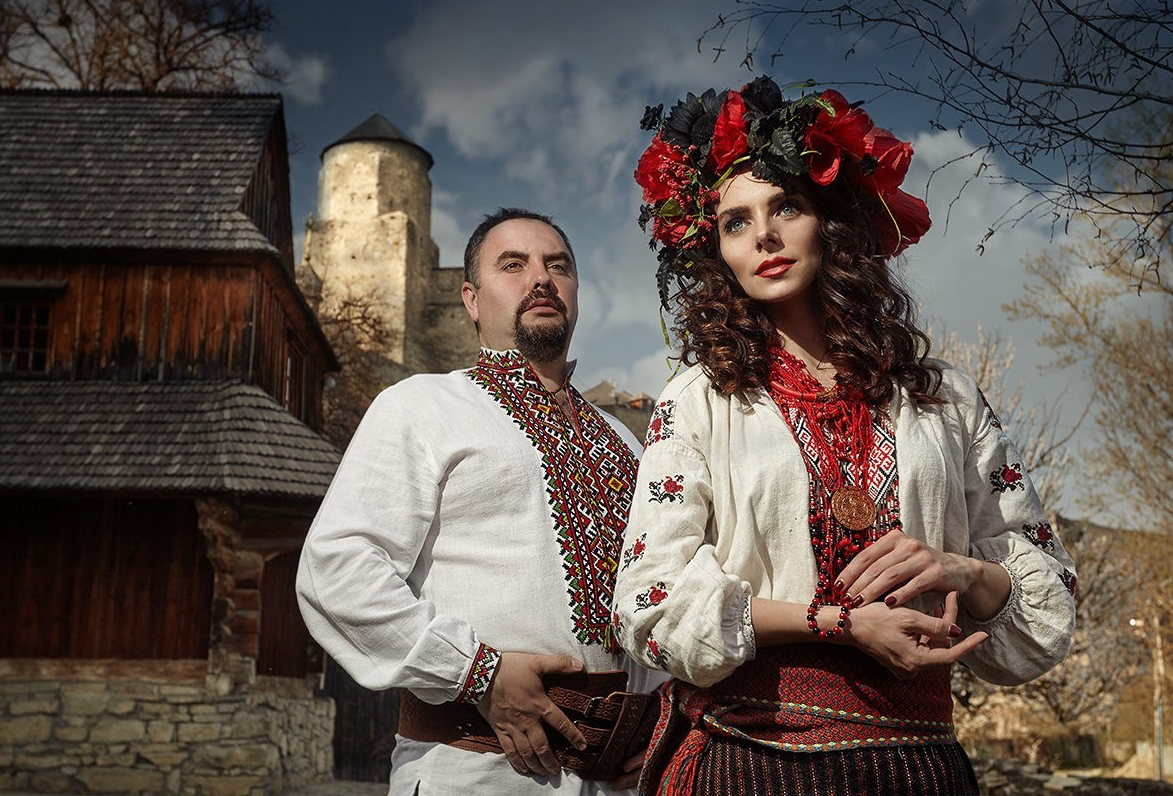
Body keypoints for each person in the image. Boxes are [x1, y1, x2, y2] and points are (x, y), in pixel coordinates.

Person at [611, 76, 1077, 795]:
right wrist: (837, 623)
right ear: (718, 253)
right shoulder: (697, 402)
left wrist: (962, 571)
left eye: (785, 206)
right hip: (752, 762)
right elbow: (651, 603)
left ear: (828, 221)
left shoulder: (945, 397)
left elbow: (1046, 594)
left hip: (919, 766)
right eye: (736, 222)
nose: (763, 234)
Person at [297, 207, 662, 795]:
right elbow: (336, 569)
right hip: (473, 773)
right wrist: (477, 673)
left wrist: (661, 726)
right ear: (470, 298)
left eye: (558, 265)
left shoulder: (623, 440)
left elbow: (653, 594)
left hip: (616, 781)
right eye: (513, 265)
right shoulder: (421, 405)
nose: (541, 279)